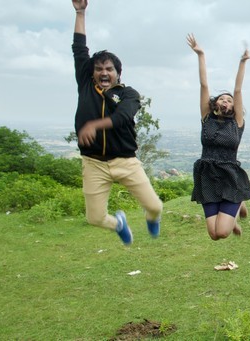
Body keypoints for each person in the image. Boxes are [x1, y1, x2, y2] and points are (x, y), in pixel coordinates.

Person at [71, 0, 162, 245]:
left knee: (155, 206)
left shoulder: (128, 94)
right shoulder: (86, 85)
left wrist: (94, 126)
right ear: (92, 72)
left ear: (117, 73)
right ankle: (119, 224)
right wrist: (80, 12)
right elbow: (79, 50)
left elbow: (123, 118)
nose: (103, 73)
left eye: (109, 69)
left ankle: (151, 218)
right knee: (95, 218)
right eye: (99, 68)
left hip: (125, 160)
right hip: (94, 163)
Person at [186, 34, 250, 241]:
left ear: (234, 107)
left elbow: (238, 89)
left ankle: (238, 200)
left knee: (222, 232)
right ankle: (237, 206)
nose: (226, 101)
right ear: (215, 105)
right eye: (222, 99)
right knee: (214, 235)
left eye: (230, 101)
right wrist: (201, 55)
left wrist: (242, 62)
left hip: (230, 177)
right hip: (207, 176)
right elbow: (204, 86)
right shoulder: (207, 118)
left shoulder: (237, 122)